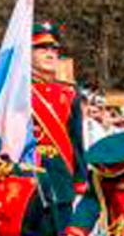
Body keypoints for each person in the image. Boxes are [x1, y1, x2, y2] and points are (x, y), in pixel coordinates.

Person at [31, 21, 87, 221]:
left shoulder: (69, 92)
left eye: (53, 49)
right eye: (41, 48)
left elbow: (76, 139)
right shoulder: (18, 92)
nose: (49, 53)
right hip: (29, 180)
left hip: (61, 178)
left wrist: (80, 178)